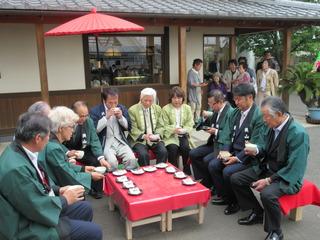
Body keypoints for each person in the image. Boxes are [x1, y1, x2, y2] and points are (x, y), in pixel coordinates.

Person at [0, 112, 102, 240]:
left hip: (37, 209)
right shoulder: (16, 169)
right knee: (94, 231)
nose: (49, 138)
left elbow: (34, 188)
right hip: (25, 226)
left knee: (85, 208)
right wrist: (65, 199)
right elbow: (36, 207)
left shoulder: (21, 150)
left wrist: (58, 190)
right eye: (48, 135)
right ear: (37, 138)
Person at [231, 96, 309, 240]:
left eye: (266, 116)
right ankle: (257, 211)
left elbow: (295, 167)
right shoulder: (272, 126)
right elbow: (264, 147)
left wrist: (268, 180)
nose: (264, 120)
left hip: (287, 176)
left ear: (279, 114)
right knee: (236, 178)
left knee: (267, 194)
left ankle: (276, 232)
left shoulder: (298, 133)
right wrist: (256, 150)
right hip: (267, 169)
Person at [208, 84, 264, 212]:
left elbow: (254, 144)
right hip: (234, 151)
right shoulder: (236, 113)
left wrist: (237, 159)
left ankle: (236, 202)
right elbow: (227, 134)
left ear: (250, 98)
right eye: (235, 99)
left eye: (239, 99)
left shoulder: (258, 116)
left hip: (250, 157)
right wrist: (225, 151)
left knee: (228, 171)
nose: (236, 102)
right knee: (214, 165)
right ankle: (227, 196)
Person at [39, 107, 104, 194]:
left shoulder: (52, 142)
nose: (73, 131)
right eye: (71, 127)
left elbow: (64, 166)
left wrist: (83, 169)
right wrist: (90, 176)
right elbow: (67, 175)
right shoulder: (53, 147)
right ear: (60, 128)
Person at [64, 101, 111, 199]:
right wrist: (68, 152)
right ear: (73, 114)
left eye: (86, 115)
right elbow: (59, 142)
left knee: (96, 161)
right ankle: (79, 191)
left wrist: (101, 158)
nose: (84, 118)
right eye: (81, 116)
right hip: (69, 151)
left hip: (83, 149)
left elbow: (94, 139)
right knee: (71, 166)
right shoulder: (65, 123)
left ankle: (96, 190)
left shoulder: (88, 121)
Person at [190, 90, 233, 189]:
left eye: (211, 104)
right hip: (212, 143)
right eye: (209, 103)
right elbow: (198, 126)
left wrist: (216, 132)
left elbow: (230, 135)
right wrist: (204, 119)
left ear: (220, 102)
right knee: (193, 153)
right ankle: (207, 179)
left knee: (207, 160)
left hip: (222, 146)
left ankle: (211, 183)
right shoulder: (215, 111)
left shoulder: (230, 113)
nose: (210, 106)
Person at [90, 87, 137, 170]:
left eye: (116, 102)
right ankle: (112, 181)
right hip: (106, 143)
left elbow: (128, 127)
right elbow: (95, 130)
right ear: (104, 101)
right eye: (110, 103)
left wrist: (121, 117)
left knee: (131, 159)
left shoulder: (121, 108)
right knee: (112, 162)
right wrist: (106, 117)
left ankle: (128, 179)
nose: (113, 105)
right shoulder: (95, 111)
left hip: (120, 140)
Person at [128, 88, 168, 166]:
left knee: (163, 151)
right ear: (141, 98)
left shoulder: (157, 108)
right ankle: (145, 176)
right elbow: (132, 128)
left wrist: (157, 135)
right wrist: (144, 136)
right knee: (143, 154)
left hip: (154, 138)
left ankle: (160, 173)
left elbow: (161, 125)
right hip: (139, 140)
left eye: (150, 101)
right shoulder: (132, 110)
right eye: (145, 100)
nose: (147, 103)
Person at [162, 86, 194, 174]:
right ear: (171, 98)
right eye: (174, 98)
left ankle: (187, 171)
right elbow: (164, 125)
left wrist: (184, 130)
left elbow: (190, 123)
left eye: (179, 98)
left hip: (183, 134)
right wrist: (173, 130)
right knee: (172, 148)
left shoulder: (187, 108)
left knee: (186, 148)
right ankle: (174, 171)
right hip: (171, 135)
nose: (177, 100)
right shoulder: (165, 109)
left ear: (183, 98)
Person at [187, 58, 208, 123]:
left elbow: (199, 82)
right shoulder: (190, 72)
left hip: (198, 92)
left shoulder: (198, 72)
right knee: (192, 108)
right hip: (192, 93)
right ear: (196, 65)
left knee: (199, 107)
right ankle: (190, 122)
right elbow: (191, 83)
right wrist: (200, 85)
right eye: (200, 66)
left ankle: (197, 121)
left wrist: (201, 87)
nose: (200, 67)